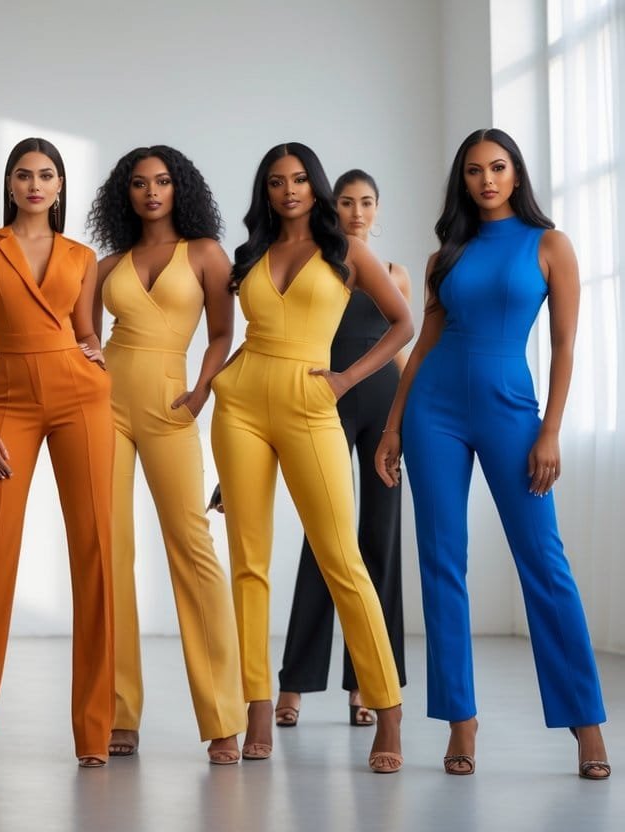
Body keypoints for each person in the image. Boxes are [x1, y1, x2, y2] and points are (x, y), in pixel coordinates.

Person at [375, 128, 610, 779]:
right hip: (433, 414)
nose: (486, 179)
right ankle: (460, 722)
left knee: (544, 562)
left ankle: (585, 727)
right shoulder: (443, 257)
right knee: (441, 564)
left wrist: (551, 431)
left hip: (512, 412)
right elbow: (422, 346)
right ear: (463, 179)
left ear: (515, 173)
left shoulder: (549, 245)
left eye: (497, 167)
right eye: (474, 170)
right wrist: (393, 425)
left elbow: (563, 346)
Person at [211, 142, 411, 773]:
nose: (289, 190)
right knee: (248, 563)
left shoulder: (347, 252)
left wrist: (347, 381)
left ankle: (387, 708)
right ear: (265, 192)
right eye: (276, 181)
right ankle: (257, 705)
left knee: (341, 558)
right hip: (239, 404)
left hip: (310, 401)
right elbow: (236, 337)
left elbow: (404, 323)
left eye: (299, 179)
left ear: (315, 187)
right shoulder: (249, 256)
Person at [0, 137, 114, 768]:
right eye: (24, 175)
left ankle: (94, 735)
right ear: (10, 184)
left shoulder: (81, 254)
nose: (36, 184)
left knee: (96, 550)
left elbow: (85, 328)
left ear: (61, 186)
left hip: (82, 397)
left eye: (47, 175)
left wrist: (94, 351)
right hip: (7, 399)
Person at [86, 145, 244, 764]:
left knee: (193, 550)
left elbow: (225, 331)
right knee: (111, 552)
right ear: (124, 195)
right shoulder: (108, 263)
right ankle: (120, 710)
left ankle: (223, 717)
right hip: (108, 410)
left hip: (172, 407)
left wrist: (204, 387)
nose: (151, 192)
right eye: (139, 183)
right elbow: (84, 334)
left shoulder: (204, 254)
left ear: (180, 188)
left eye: (162, 181)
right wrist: (89, 360)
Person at [274, 169, 411, 729]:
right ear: (333, 206)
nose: (357, 212)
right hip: (325, 399)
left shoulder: (395, 273)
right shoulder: (323, 264)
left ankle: (366, 687)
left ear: (379, 208)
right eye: (347, 202)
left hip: (379, 406)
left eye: (367, 203)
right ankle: (295, 684)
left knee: (380, 541)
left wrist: (404, 424)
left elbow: (402, 348)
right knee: (324, 542)